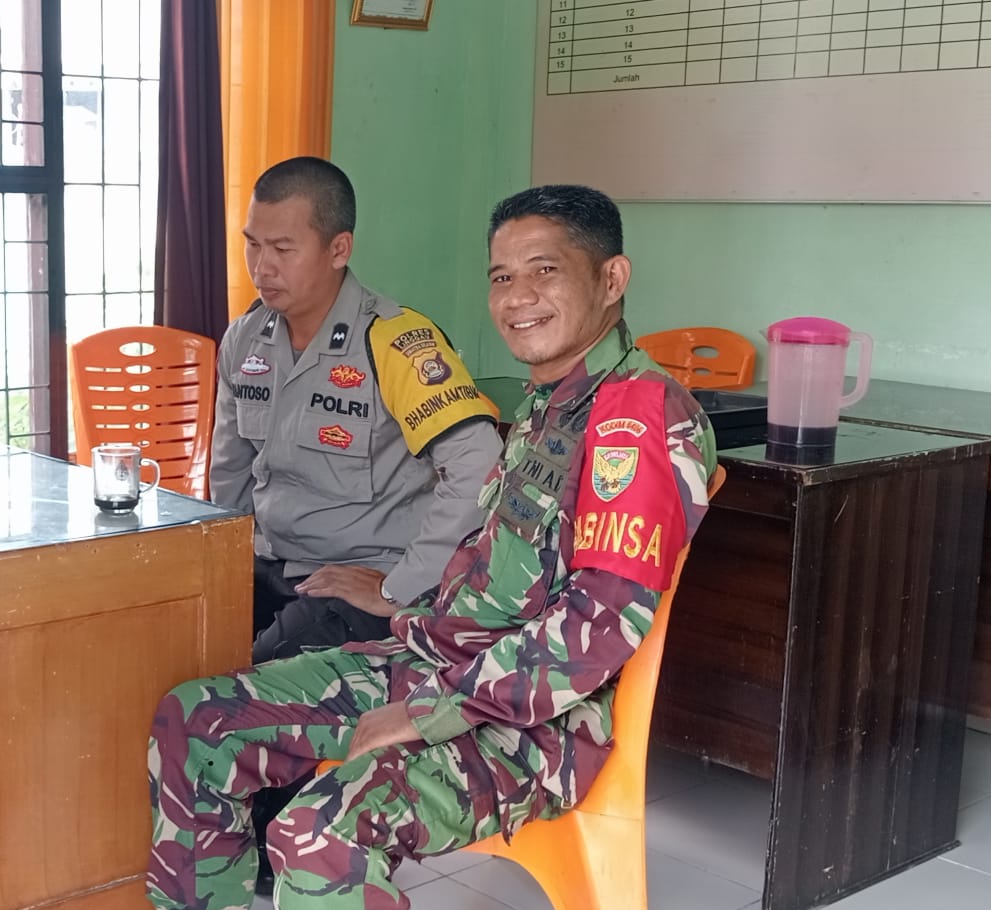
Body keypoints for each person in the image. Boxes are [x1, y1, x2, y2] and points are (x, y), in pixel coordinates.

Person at [147, 184, 718, 910]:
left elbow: (593, 626)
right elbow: (499, 575)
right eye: (501, 277)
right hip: (436, 663)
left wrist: (425, 713)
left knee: (315, 834)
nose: (517, 298)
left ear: (611, 279)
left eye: (544, 271)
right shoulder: (548, 403)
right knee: (196, 720)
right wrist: (402, 611)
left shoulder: (631, 416)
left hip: (531, 726)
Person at [212, 157, 503, 664]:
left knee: (237, 683)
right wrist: (221, 570)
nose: (262, 267)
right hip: (272, 567)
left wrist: (400, 587)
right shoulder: (244, 340)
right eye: (253, 244)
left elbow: (480, 465)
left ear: (338, 249)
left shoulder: (395, 343)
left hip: (360, 579)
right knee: (171, 653)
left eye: (283, 249)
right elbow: (230, 471)